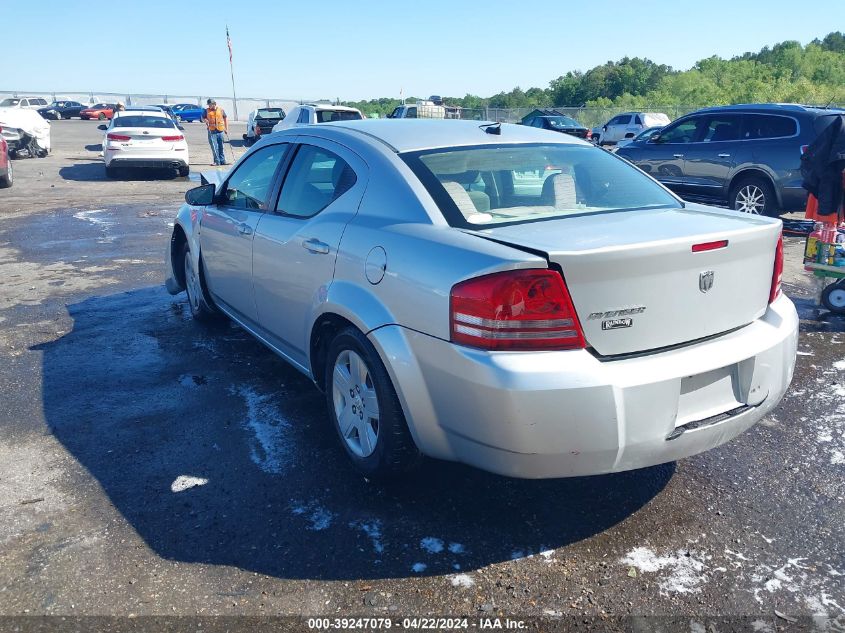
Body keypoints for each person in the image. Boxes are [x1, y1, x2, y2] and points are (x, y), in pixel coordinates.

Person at [202, 99, 229, 166]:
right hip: (212, 131)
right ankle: (216, 161)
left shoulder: (221, 110)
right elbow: (203, 117)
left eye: (210, 104)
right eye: (208, 105)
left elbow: (225, 119)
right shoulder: (206, 111)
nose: (209, 106)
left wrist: (226, 129)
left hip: (220, 130)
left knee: (221, 146)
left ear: (214, 104)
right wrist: (205, 120)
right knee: (214, 147)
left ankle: (222, 161)